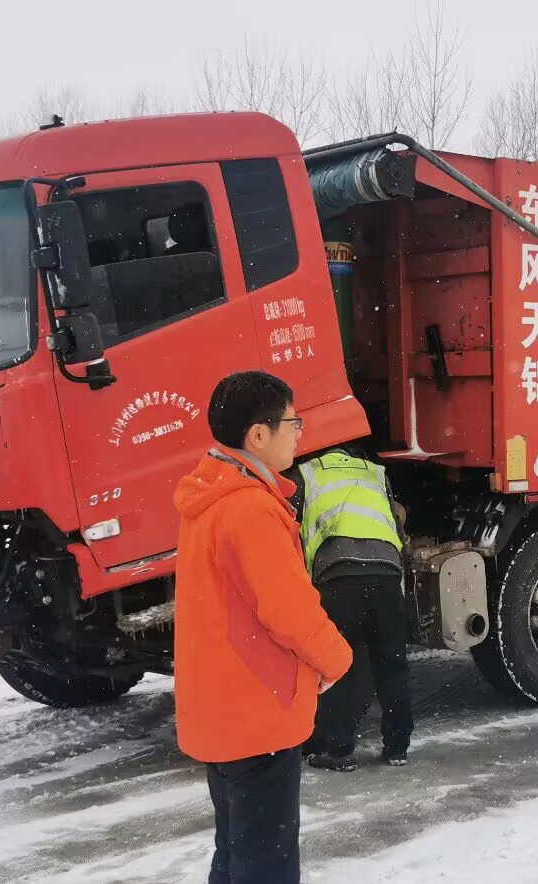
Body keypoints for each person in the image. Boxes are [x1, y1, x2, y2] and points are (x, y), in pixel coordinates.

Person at [173, 370, 353, 884]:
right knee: (265, 865)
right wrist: (338, 658)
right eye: (293, 423)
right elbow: (288, 610)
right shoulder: (249, 509)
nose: (299, 433)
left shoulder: (209, 496)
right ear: (258, 434)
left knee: (236, 852)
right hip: (258, 712)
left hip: (223, 707)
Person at [295, 445, 414, 772]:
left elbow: (292, 530)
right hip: (386, 575)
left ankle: (339, 751)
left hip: (338, 577)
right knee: (392, 664)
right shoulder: (375, 471)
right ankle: (398, 746)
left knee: (338, 665)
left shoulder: (306, 472)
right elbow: (396, 524)